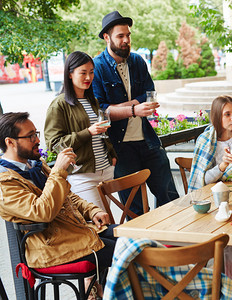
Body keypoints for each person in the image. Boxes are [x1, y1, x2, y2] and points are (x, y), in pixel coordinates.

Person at [0, 112, 117, 299]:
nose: (37, 140)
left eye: (36, 133)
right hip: (52, 249)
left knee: (131, 235)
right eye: (30, 136)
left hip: (75, 235)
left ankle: (101, 293)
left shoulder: (35, 165)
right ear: (10, 142)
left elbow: (68, 197)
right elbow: (41, 212)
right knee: (130, 251)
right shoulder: (5, 182)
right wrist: (59, 171)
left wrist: (92, 210)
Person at [92, 11, 179, 213]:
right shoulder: (97, 67)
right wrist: (133, 109)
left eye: (128, 35)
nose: (126, 40)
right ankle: (143, 244)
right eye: (120, 36)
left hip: (147, 140)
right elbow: (101, 110)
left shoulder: (138, 62)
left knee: (170, 197)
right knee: (134, 207)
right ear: (107, 37)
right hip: (120, 147)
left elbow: (149, 93)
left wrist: (127, 107)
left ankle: (173, 241)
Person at [44, 51, 117, 211]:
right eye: (83, 73)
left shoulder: (93, 101)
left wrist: (112, 155)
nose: (88, 77)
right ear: (70, 74)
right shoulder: (59, 104)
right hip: (81, 175)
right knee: (98, 224)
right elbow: (54, 144)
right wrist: (88, 132)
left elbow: (103, 134)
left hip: (105, 170)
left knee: (105, 220)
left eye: (91, 72)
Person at [188, 95, 232, 191]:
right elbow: (203, 181)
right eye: (227, 114)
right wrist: (223, 165)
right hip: (215, 192)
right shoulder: (206, 141)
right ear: (218, 117)